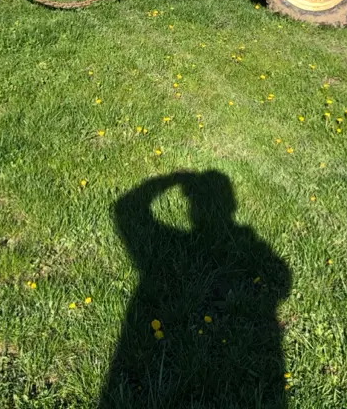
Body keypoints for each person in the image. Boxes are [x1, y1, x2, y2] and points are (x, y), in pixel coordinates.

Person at [99, 171, 292, 408]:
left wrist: (169, 179)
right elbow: (282, 283)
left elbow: (125, 208)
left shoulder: (178, 245)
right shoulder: (249, 242)